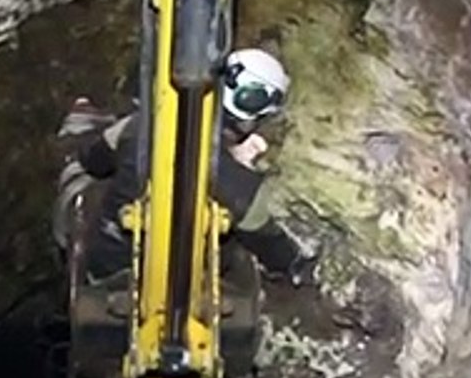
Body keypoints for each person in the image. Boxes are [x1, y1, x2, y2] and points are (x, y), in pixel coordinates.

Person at [53, 47, 315, 287]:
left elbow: (93, 160)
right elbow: (278, 254)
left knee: (89, 187)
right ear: (256, 116)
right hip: (183, 293)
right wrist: (296, 265)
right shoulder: (241, 190)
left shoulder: (137, 127)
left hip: (104, 270)